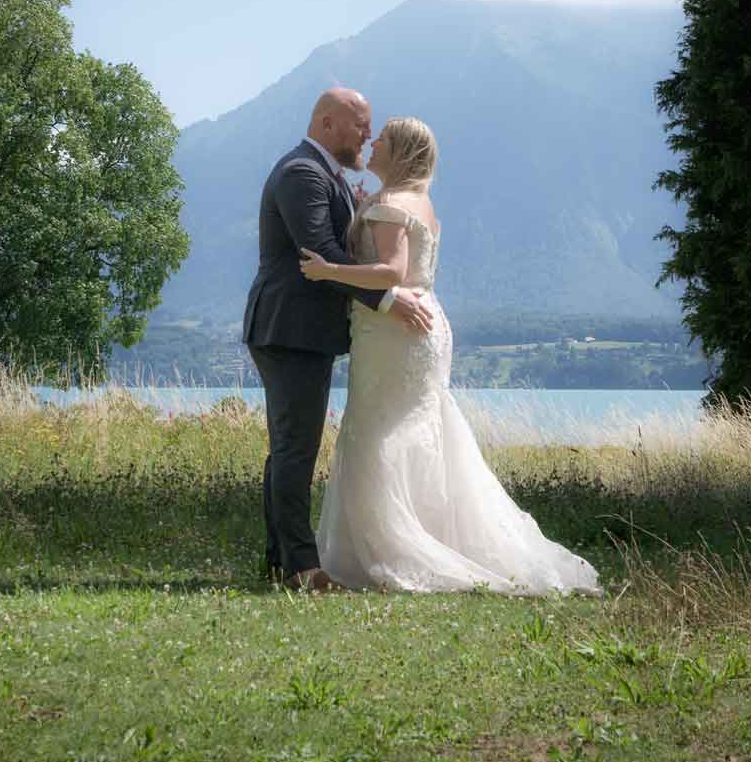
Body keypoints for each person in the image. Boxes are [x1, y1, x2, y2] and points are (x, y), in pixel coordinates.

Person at [299, 116, 600, 595]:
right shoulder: (415, 201)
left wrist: (327, 269)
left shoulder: (393, 205)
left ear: (398, 152)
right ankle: (437, 534)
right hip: (423, 327)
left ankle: (395, 546)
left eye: (383, 140)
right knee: (421, 426)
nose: (372, 143)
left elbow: (391, 272)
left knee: (377, 431)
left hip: (394, 331)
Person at [243, 89, 435, 591]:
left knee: (290, 446)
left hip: (304, 332)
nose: (367, 136)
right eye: (360, 126)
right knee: (295, 448)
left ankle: (282, 561)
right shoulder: (301, 173)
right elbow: (320, 253)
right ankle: (304, 568)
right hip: (289, 330)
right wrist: (388, 300)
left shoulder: (326, 174)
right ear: (328, 123)